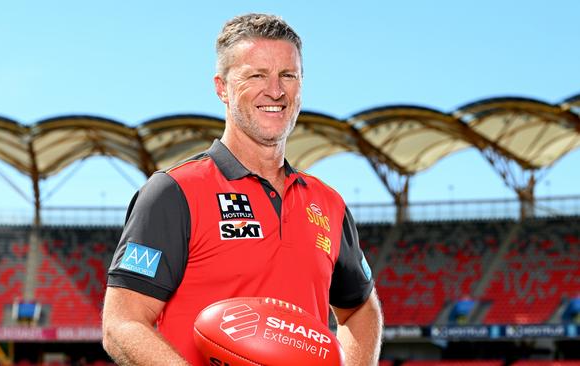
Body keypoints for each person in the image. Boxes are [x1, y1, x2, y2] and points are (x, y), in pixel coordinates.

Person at [102, 13, 383, 365]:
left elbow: (360, 308)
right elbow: (122, 323)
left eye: (288, 75)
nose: (276, 90)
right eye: (257, 75)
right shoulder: (174, 192)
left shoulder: (328, 204)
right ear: (222, 87)